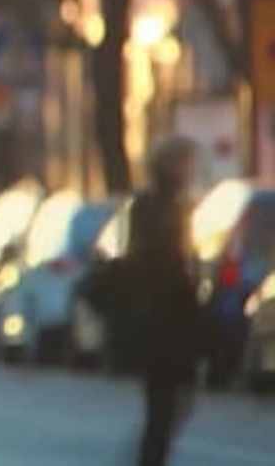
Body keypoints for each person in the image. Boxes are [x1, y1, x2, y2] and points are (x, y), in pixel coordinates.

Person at [126, 136, 202, 466]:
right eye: (186, 163)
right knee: (166, 402)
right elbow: (159, 262)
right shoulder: (157, 206)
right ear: (171, 165)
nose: (190, 170)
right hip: (163, 321)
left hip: (163, 319)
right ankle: (151, 459)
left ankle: (152, 456)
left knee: (170, 402)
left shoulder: (168, 204)